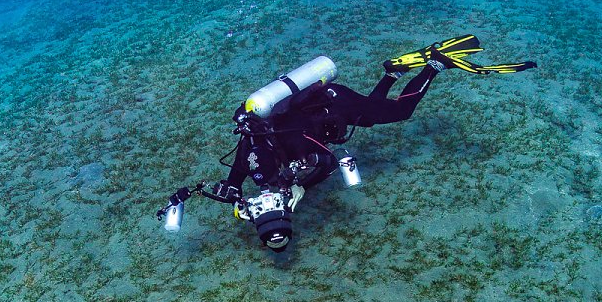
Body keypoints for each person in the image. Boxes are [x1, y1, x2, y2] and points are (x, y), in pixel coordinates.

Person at [210, 34, 537, 251]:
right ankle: (392, 73)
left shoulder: (288, 155)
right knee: (368, 116)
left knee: (399, 111)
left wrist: (300, 184)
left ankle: (436, 65)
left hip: (329, 103)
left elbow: (327, 161)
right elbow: (235, 178)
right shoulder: (251, 146)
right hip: (315, 104)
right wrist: (236, 195)